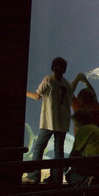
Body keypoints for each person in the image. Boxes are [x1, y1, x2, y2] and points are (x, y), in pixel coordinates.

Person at [24, 57, 74, 185]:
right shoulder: (67, 84)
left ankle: (34, 176)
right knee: (59, 151)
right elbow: (71, 100)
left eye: (58, 67)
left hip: (49, 121)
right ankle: (56, 179)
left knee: (39, 147)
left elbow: (37, 96)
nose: (57, 69)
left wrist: (24, 92)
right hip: (63, 122)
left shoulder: (48, 80)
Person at [65, 109, 99, 187]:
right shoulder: (95, 128)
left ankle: (87, 181)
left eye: (75, 123)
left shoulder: (83, 130)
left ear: (79, 121)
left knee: (70, 175)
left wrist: (65, 166)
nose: (75, 126)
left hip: (94, 165)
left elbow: (75, 152)